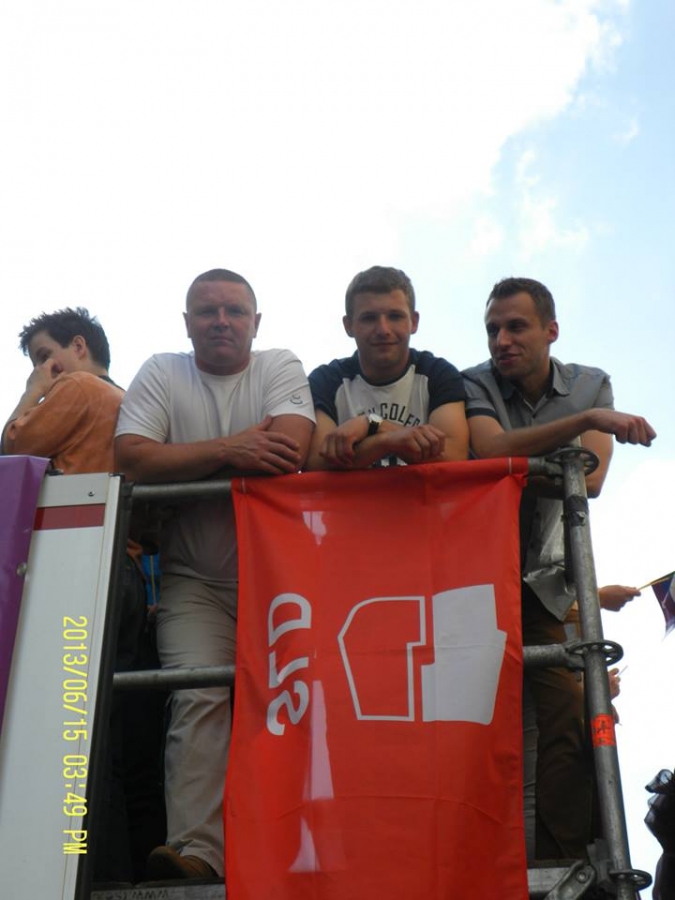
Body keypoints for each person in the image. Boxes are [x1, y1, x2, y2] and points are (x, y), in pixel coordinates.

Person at [114, 268, 315, 881]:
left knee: (295, 704)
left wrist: (181, 463)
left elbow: (288, 451)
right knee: (196, 696)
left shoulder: (280, 364)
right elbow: (131, 459)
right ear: (186, 323)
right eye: (207, 311)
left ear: (257, 322)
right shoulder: (161, 371)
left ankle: (299, 842)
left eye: (234, 311)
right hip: (192, 581)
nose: (221, 322)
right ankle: (198, 854)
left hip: (282, 576)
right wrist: (233, 449)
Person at [462, 277, 656, 861]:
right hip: (470, 582)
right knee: (462, 723)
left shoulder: (591, 382)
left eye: (516, 326)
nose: (502, 340)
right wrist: (582, 423)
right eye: (493, 329)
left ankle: (560, 864)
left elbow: (589, 480)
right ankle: (464, 856)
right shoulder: (473, 382)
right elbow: (491, 449)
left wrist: (522, 462)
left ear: (551, 331)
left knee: (575, 715)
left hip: (544, 588)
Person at [2, 307, 165, 883]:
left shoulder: (78, 388)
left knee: (74, 730)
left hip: (79, 569)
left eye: (45, 355)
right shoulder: (131, 403)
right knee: (109, 729)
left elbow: (12, 449)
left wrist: (32, 391)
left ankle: (91, 872)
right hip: (128, 571)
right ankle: (117, 869)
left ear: (77, 346)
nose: (42, 369)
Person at [306, 265, 468, 469]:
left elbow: (454, 456)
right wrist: (386, 440)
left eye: (395, 316)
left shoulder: (438, 373)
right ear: (349, 326)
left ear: (414, 322)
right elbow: (317, 464)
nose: (383, 330)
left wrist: (372, 425)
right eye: (369, 318)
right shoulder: (326, 380)